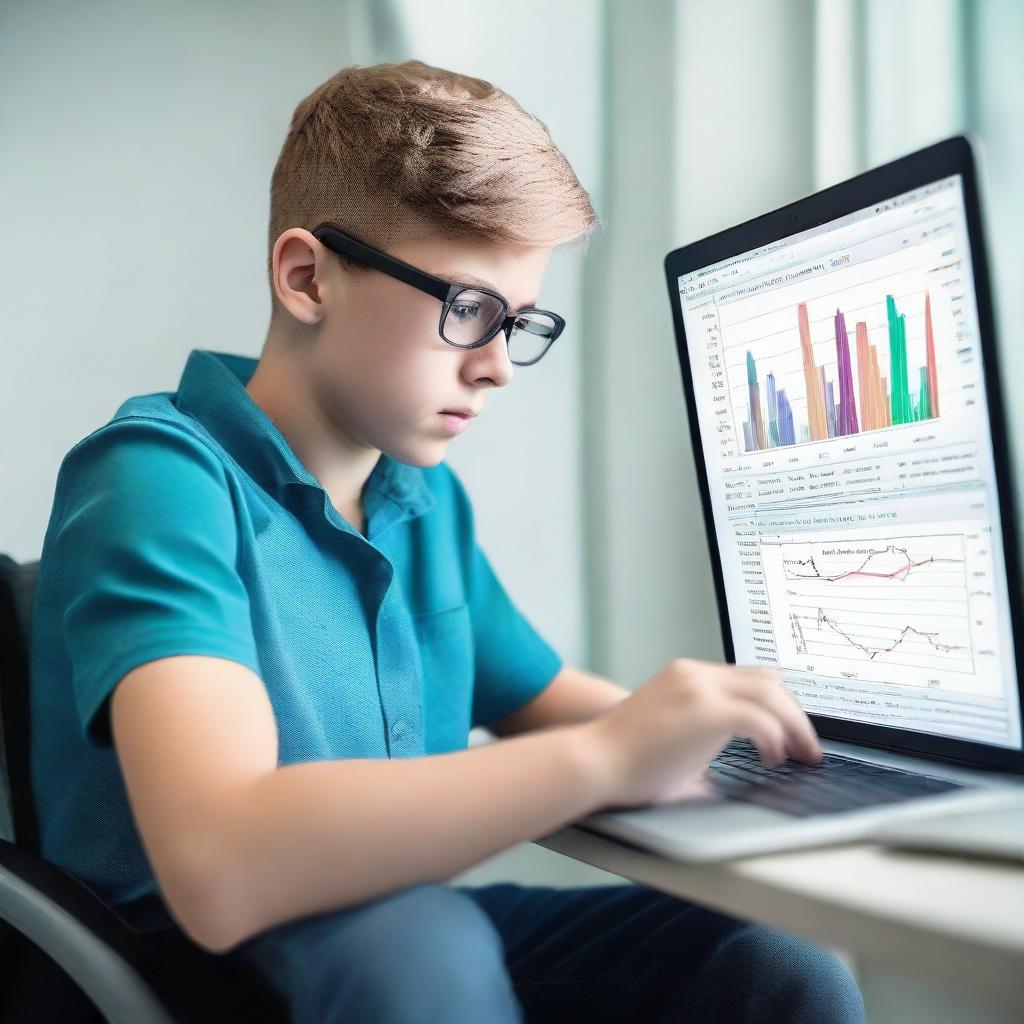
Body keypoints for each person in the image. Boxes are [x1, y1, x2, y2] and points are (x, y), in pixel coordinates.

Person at [30, 60, 865, 1022]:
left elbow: (553, 706)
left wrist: (761, 753)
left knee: (775, 962)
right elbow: (224, 863)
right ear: (308, 277)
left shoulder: (421, 499)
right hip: (196, 976)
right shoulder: (156, 479)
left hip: (395, 939)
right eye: (467, 310)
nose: (498, 368)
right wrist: (607, 761)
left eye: (519, 323)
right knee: (422, 945)